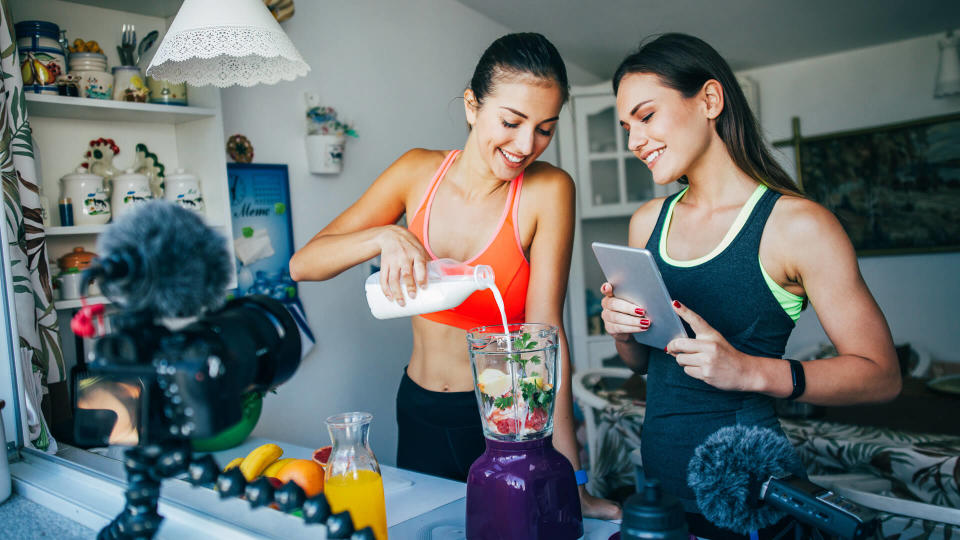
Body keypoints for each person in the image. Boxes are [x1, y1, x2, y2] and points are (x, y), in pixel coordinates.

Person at [290, 32, 620, 519]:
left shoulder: (549, 190)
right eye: (511, 121)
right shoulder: (415, 173)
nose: (526, 144)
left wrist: (571, 478)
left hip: (502, 421)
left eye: (545, 129)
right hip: (418, 407)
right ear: (472, 105)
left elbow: (546, 334)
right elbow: (305, 263)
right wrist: (383, 238)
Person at [601, 33, 901, 539]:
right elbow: (647, 365)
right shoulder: (646, 222)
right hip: (657, 491)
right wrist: (623, 333)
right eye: (626, 126)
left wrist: (748, 371)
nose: (633, 141)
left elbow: (882, 375)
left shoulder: (798, 226)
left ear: (710, 100)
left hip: (749, 496)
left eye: (646, 116)